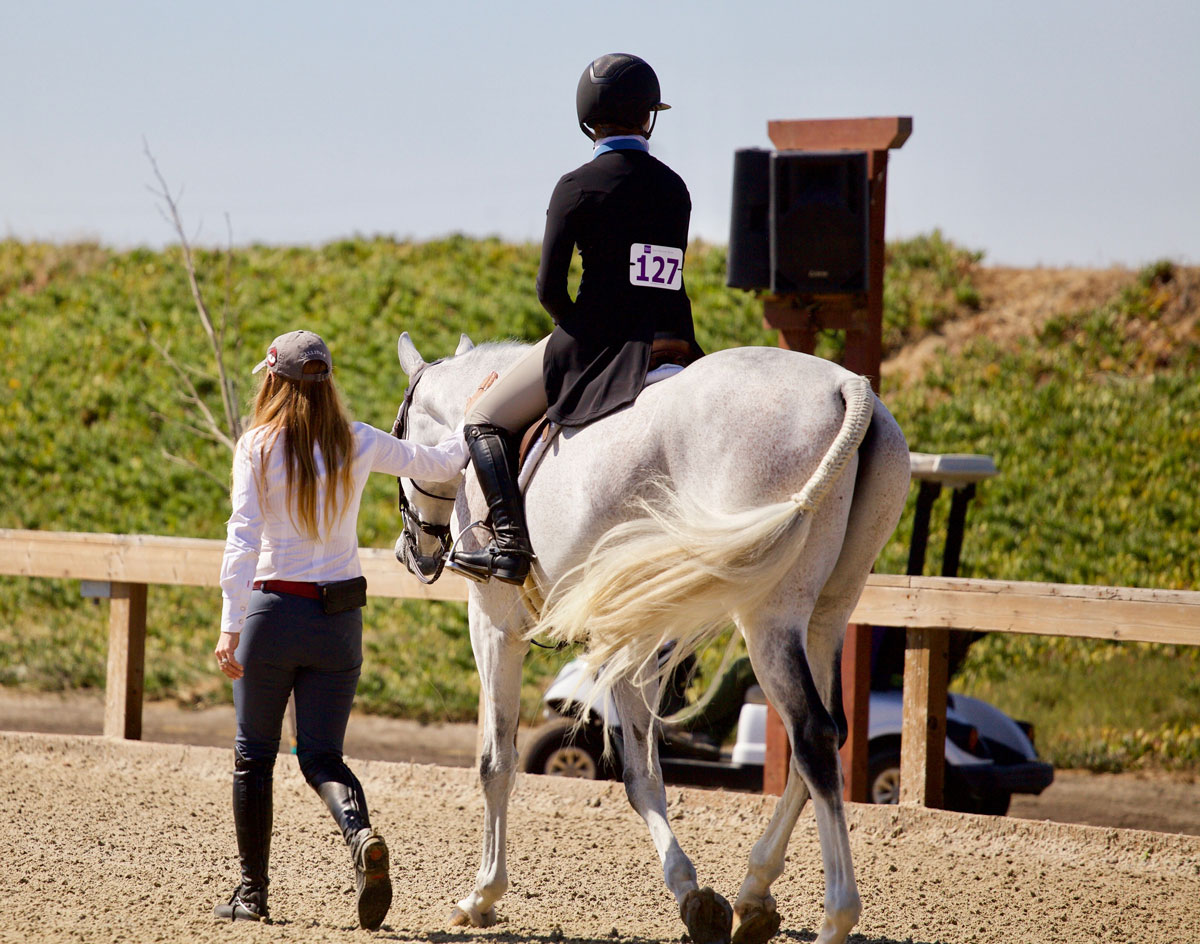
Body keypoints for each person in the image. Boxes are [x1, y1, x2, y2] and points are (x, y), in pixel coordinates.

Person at [212, 329, 491, 928]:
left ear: (274, 380)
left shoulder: (256, 447)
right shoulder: (359, 441)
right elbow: (443, 462)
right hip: (338, 622)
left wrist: (230, 625)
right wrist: (476, 412)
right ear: (328, 382)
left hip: (271, 614)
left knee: (253, 757)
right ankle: (360, 834)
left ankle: (252, 894)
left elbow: (243, 538)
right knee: (320, 755)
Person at [448, 52, 702, 586]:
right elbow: (657, 274)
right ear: (648, 116)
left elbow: (548, 289)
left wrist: (579, 330)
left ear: (588, 117)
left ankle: (511, 546)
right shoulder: (675, 187)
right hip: (674, 336)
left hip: (599, 340)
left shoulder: (576, 186)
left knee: (483, 417)